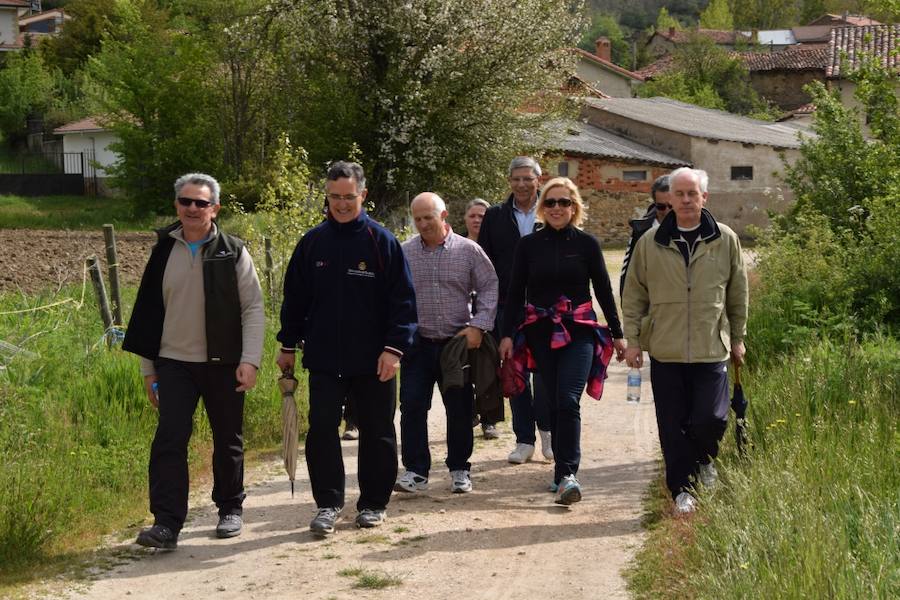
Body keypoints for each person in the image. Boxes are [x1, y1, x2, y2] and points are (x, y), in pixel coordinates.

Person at [124, 173, 264, 549]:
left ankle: (230, 507)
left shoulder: (233, 251)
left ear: (214, 208)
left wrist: (250, 360)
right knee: (170, 438)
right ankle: (167, 524)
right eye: (185, 201)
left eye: (200, 203)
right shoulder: (162, 250)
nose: (192, 208)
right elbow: (148, 314)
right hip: (173, 363)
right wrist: (148, 369)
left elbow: (253, 308)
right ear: (176, 205)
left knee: (227, 438)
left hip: (224, 362)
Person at [276, 161, 417, 536]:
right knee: (321, 429)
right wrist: (287, 345)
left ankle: (372, 503)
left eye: (349, 197)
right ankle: (328, 504)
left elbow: (403, 302)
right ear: (327, 195)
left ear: (363, 195)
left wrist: (393, 349)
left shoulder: (381, 241)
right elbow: (295, 301)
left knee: (378, 430)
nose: (341, 204)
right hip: (323, 357)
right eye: (334, 197)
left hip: (375, 360)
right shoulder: (312, 243)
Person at [622, 167, 748, 514]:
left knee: (711, 418)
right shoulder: (651, 242)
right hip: (666, 349)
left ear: (704, 197)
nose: (687, 200)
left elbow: (738, 293)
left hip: (711, 348)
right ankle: (683, 490)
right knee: (672, 424)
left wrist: (738, 338)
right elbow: (634, 294)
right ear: (669, 200)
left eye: (693, 193)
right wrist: (633, 340)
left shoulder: (725, 239)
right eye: (680, 194)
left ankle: (705, 460)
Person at [498, 177, 625, 505]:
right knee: (553, 401)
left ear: (575, 207)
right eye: (551, 202)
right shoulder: (528, 246)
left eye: (564, 202)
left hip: (579, 330)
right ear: (542, 207)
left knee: (568, 399)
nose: (557, 208)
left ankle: (568, 473)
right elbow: (514, 294)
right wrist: (507, 335)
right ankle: (560, 473)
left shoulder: (587, 244)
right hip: (540, 331)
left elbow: (603, 292)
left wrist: (618, 333)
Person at [396, 193, 498, 495]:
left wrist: (479, 326)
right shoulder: (404, 253)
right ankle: (415, 471)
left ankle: (459, 469)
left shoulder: (469, 251)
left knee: (459, 408)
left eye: (429, 217)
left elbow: (490, 287)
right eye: (418, 219)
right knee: (412, 406)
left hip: (456, 346)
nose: (424, 224)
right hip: (417, 344)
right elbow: (393, 295)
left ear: (444, 216)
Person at [478, 156, 552, 463]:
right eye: (516, 179)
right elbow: (483, 264)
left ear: (538, 180)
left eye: (527, 178)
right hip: (508, 308)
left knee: (547, 375)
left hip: (546, 308)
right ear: (509, 181)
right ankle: (524, 440)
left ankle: (549, 434)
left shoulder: (553, 210)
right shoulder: (495, 216)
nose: (521, 184)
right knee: (515, 372)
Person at [464, 197, 502, 438]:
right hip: (462, 315)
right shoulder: (455, 244)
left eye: (482, 216)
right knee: (463, 368)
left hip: (491, 312)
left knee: (490, 366)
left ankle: (490, 420)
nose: (478, 220)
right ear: (465, 219)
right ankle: (468, 414)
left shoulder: (496, 245)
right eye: (473, 216)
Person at [619, 174, 672, 299]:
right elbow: (628, 276)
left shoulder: (689, 229)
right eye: (661, 207)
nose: (667, 211)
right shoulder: (641, 231)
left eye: (671, 205)